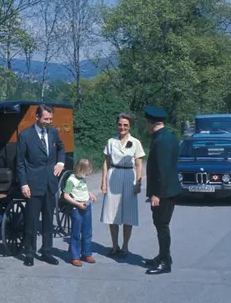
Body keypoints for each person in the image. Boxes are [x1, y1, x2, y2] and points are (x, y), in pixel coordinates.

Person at [17, 104, 66, 267]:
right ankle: (29, 252)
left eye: (51, 119)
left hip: (50, 183)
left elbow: (61, 148)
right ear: (37, 117)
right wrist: (24, 183)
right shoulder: (25, 135)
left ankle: (46, 251)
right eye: (46, 119)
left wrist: (60, 163)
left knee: (48, 219)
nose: (49, 122)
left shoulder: (53, 132)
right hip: (33, 184)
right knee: (31, 220)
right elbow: (20, 163)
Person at [100, 112, 146, 258]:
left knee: (128, 214)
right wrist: (103, 181)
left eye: (125, 125)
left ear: (130, 126)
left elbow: (139, 164)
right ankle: (114, 246)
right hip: (114, 175)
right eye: (120, 124)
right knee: (111, 213)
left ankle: (125, 246)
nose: (122, 127)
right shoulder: (111, 142)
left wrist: (138, 182)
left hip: (129, 176)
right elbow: (106, 162)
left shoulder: (135, 142)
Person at [143, 105, 181, 275]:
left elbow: (162, 170)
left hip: (164, 192)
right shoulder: (168, 136)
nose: (146, 126)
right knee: (161, 225)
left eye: (147, 122)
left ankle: (165, 262)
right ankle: (163, 256)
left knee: (162, 226)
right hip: (167, 190)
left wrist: (156, 194)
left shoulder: (161, 141)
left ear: (152, 122)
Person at [63, 158, 97, 267]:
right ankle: (75, 256)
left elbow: (82, 189)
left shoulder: (82, 179)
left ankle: (87, 253)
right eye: (85, 173)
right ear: (80, 170)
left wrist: (90, 194)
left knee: (87, 231)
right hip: (77, 207)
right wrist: (77, 204)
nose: (86, 176)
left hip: (86, 206)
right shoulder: (71, 180)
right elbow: (66, 195)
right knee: (76, 232)